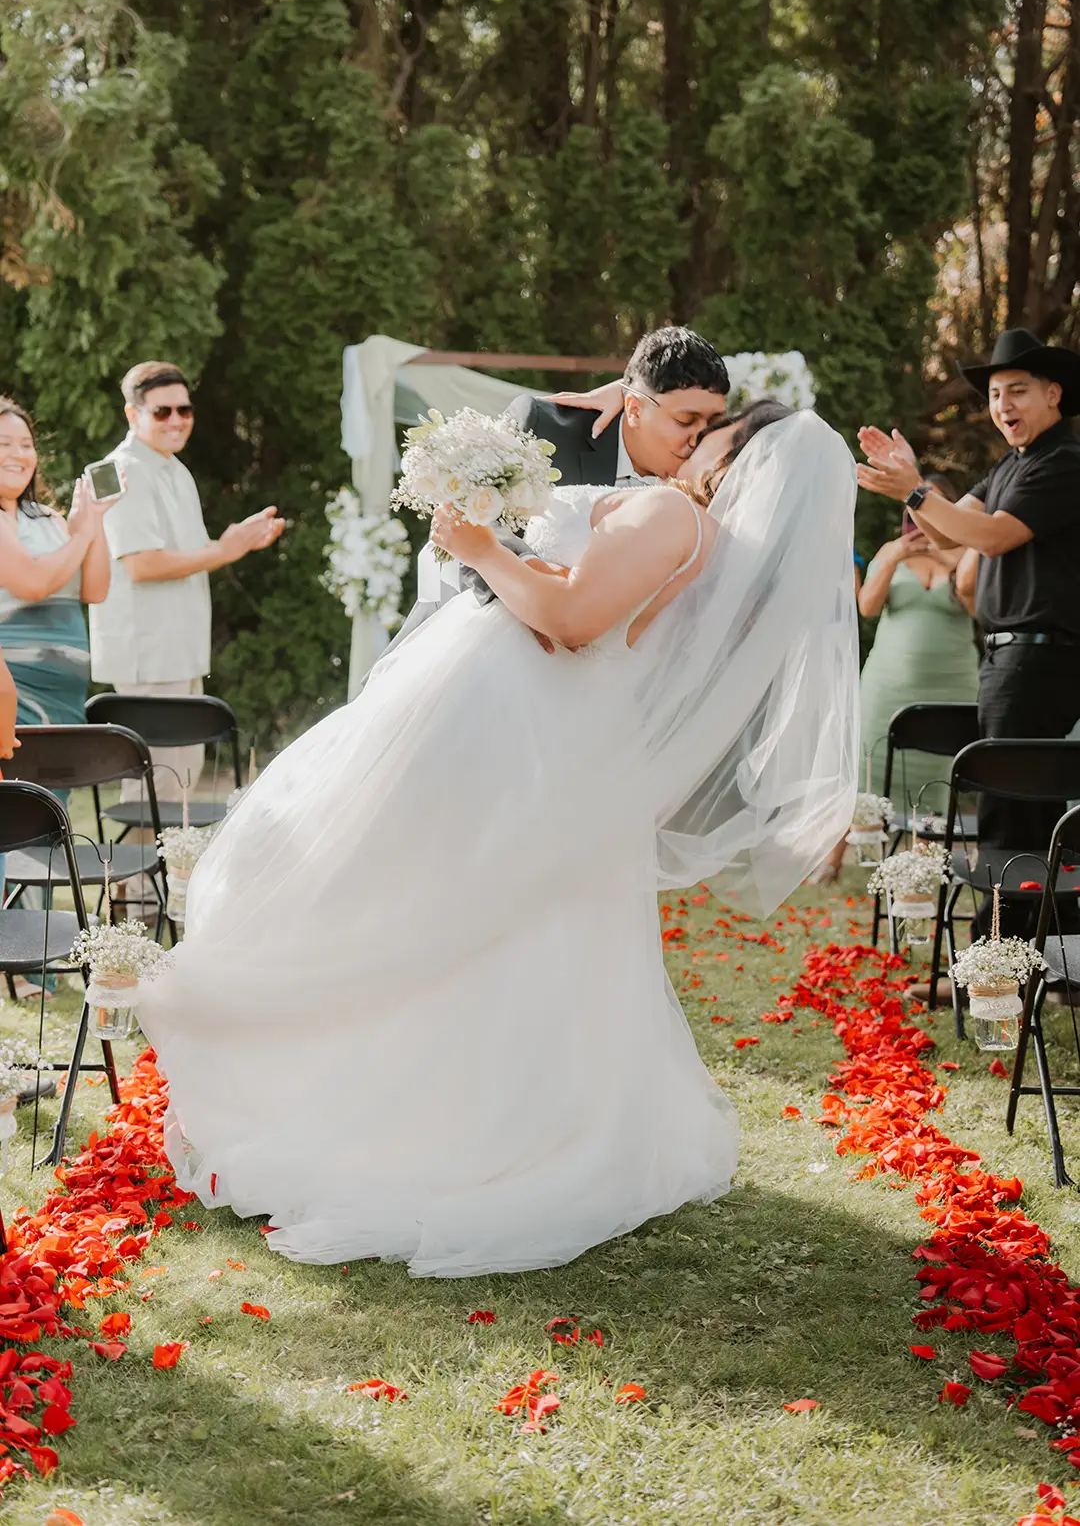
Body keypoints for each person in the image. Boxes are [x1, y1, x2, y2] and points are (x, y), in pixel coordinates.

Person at [137, 410, 858, 1278]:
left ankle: (440, 1125)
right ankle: (486, 1111)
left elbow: (570, 621)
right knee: (501, 926)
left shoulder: (672, 516)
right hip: (553, 733)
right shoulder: (700, 538)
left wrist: (480, 548)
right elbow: (579, 598)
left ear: (730, 455)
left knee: (428, 902)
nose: (692, 435)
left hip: (527, 726)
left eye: (710, 427)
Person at [857, 328, 1080, 932]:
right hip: (1008, 661)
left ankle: (1008, 954)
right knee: (1018, 805)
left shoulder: (1063, 463)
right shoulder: (1012, 464)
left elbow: (994, 537)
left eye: (1018, 391)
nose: (1003, 405)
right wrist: (911, 481)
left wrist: (916, 488)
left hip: (1039, 660)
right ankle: (1040, 952)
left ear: (1053, 394)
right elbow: (953, 532)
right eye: (995, 395)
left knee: (1015, 809)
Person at [394, 327, 730, 639]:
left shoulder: (710, 480)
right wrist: (536, 580)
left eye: (713, 422)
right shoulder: (547, 429)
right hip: (474, 633)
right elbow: (469, 519)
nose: (699, 437)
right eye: (685, 420)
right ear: (634, 409)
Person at [89, 362, 285, 799]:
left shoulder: (175, 470)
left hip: (180, 650)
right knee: (156, 786)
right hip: (148, 652)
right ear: (131, 414)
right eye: (162, 412)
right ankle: (138, 872)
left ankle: (165, 871)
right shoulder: (113, 470)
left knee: (181, 778)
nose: (177, 420)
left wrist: (237, 541)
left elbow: (185, 555)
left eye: (185, 410)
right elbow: (141, 564)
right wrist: (225, 549)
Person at [856, 474, 978, 807]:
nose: (919, 514)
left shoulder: (969, 555)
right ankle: (835, 860)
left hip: (951, 688)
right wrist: (893, 558)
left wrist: (947, 559)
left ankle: (925, 857)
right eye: (913, 505)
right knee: (868, 775)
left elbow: (980, 612)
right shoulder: (891, 550)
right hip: (888, 689)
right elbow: (867, 606)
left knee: (938, 786)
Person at [0, 399, 113, 727]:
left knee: (55, 777)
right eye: (4, 444)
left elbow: (95, 589)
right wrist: (80, 536)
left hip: (64, 697)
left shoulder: (48, 518)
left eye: (25, 445)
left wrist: (95, 522)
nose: (18, 454)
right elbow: (33, 584)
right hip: (13, 694)